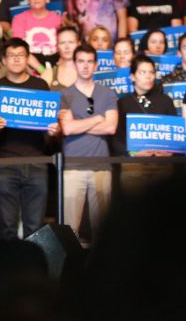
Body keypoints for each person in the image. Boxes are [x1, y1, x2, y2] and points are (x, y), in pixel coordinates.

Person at [0, 39, 57, 241]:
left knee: (35, 229)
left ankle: (35, 270)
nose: (16, 59)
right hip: (4, 164)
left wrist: (52, 129)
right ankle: (8, 270)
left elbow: (50, 127)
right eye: (11, 56)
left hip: (37, 162)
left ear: (27, 58)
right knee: (6, 228)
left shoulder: (40, 85)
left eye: (21, 55)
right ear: (4, 60)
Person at [58, 45, 118, 242]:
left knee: (103, 229)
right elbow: (66, 129)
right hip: (73, 166)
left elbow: (111, 128)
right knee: (70, 229)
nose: (85, 66)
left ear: (96, 65)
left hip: (101, 166)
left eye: (89, 61)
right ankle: (69, 272)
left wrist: (78, 123)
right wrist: (97, 119)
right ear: (75, 64)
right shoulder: (64, 95)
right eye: (81, 61)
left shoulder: (108, 94)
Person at [111, 56, 178, 193]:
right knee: (134, 211)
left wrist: (171, 152)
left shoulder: (165, 101)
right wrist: (133, 153)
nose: (148, 76)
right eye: (143, 72)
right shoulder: (122, 103)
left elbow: (176, 134)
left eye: (151, 72)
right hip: (134, 166)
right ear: (132, 77)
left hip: (162, 165)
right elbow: (116, 138)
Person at [11, 0, 61, 66]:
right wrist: (42, 70)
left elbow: (62, 49)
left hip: (54, 65)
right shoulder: (18, 19)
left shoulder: (57, 19)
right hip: (28, 68)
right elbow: (19, 51)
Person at [46, 26, 80, 90]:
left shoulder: (89, 71)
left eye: (71, 42)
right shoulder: (48, 74)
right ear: (57, 46)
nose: (67, 47)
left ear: (78, 44)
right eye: (62, 43)